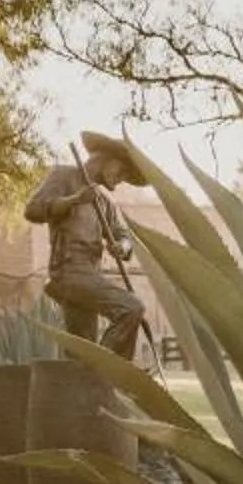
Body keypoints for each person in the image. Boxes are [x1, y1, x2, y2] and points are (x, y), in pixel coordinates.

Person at [25, 131, 147, 361]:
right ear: (104, 159)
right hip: (69, 271)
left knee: (81, 348)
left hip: (90, 275)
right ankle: (105, 373)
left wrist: (122, 245)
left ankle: (82, 387)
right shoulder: (64, 176)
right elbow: (33, 210)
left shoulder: (104, 202)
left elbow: (123, 235)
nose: (120, 180)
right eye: (120, 172)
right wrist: (73, 200)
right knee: (131, 308)